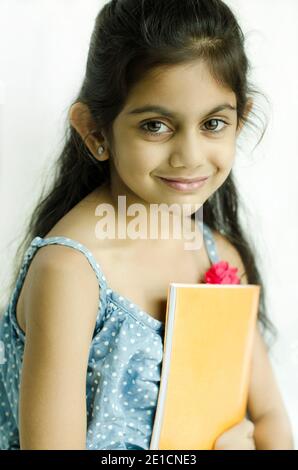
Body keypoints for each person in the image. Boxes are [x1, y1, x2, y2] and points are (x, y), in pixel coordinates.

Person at [0, 0, 294, 450]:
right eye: (156, 126)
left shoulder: (217, 256)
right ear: (96, 132)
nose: (191, 155)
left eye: (214, 123)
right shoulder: (71, 273)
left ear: (240, 121)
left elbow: (270, 414)